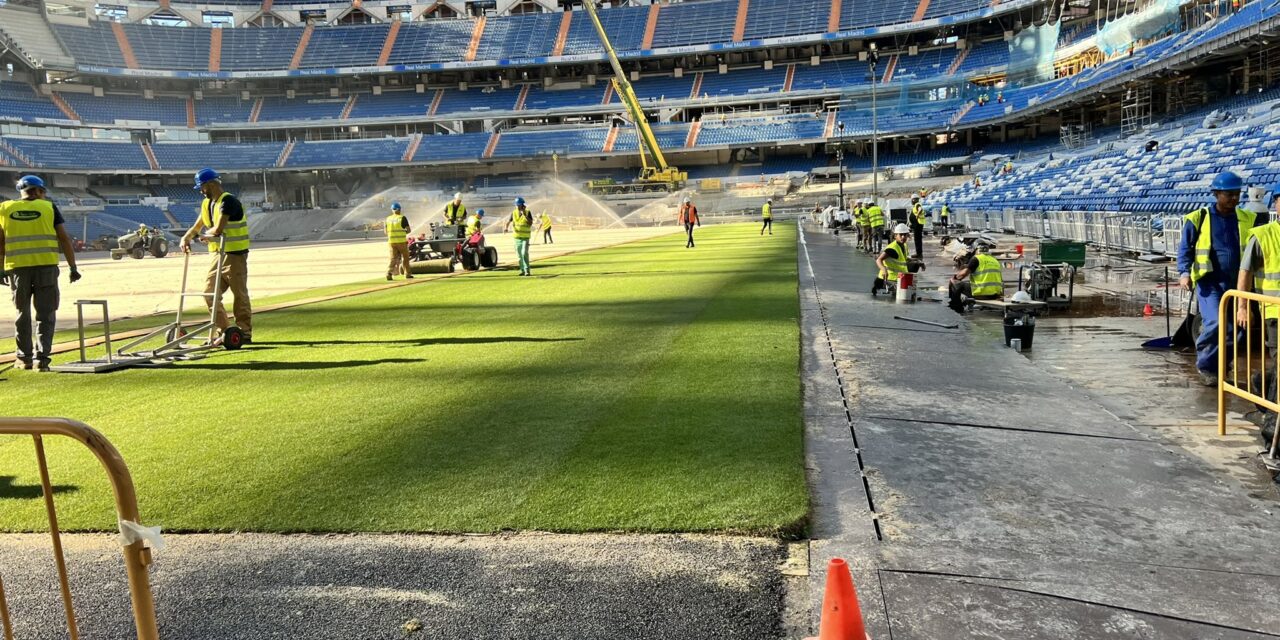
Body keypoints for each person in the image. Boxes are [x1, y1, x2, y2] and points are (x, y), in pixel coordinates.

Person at [1178, 170, 1259, 386]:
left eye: (1236, 194)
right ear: (1216, 194)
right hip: (1210, 282)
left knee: (1238, 330)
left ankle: (1222, 365)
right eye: (1229, 194)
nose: (1234, 199)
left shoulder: (1247, 218)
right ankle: (1206, 367)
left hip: (1238, 283)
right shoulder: (1199, 218)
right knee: (1215, 323)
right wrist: (1184, 272)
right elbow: (1186, 248)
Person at [0, 175, 81, 371]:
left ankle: (24, 358)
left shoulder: (5, 208)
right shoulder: (48, 207)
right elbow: (64, 239)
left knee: (22, 314)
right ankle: (42, 360)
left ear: (21, 191)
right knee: (46, 314)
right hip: (46, 268)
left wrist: (0, 268)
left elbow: (0, 242)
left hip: (17, 269)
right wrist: (72, 267)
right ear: (40, 191)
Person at [181, 168, 252, 344]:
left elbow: (218, 229)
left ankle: (244, 332)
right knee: (209, 294)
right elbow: (198, 226)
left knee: (239, 295)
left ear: (211, 184)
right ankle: (226, 332)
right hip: (217, 255)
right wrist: (186, 237)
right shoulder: (207, 204)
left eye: (202, 186)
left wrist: (205, 236)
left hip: (235, 255)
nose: (200, 190)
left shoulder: (228, 201)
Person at [948, 243, 1003, 312]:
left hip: (981, 294)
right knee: (968, 283)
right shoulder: (995, 260)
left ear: (977, 250)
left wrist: (955, 277)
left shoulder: (976, 259)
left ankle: (956, 309)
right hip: (995, 294)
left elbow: (963, 274)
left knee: (955, 283)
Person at [873, 224, 923, 296]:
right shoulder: (892, 248)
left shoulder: (904, 245)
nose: (903, 237)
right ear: (895, 236)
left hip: (900, 277)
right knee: (905, 295)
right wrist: (884, 270)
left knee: (910, 292)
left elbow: (904, 259)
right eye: (901, 235)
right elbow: (878, 260)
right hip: (888, 279)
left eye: (905, 235)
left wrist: (918, 262)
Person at [505, 198, 534, 276]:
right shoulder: (513, 213)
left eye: (519, 205)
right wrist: (506, 228)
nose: (517, 206)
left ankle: (527, 270)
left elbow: (530, 223)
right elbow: (508, 221)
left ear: (523, 205)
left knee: (524, 253)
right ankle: (522, 270)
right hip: (517, 237)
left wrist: (524, 215)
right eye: (516, 205)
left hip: (525, 237)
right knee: (519, 256)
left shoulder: (528, 212)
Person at [385, 202, 413, 281]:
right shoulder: (402, 218)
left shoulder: (388, 219)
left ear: (392, 210)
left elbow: (385, 231)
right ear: (399, 209)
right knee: (405, 257)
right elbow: (408, 230)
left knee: (393, 258)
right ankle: (407, 274)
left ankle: (389, 273)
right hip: (401, 242)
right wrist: (403, 232)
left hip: (391, 242)